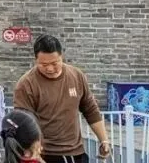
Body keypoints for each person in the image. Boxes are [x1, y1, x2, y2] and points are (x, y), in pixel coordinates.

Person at [12, 35, 110, 163]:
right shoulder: (26, 84)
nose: (50, 69)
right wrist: (33, 151)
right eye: (44, 64)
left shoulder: (76, 76)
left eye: (54, 63)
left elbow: (90, 110)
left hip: (76, 152)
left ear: (61, 56)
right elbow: (23, 122)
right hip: (43, 154)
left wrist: (104, 140)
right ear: (35, 60)